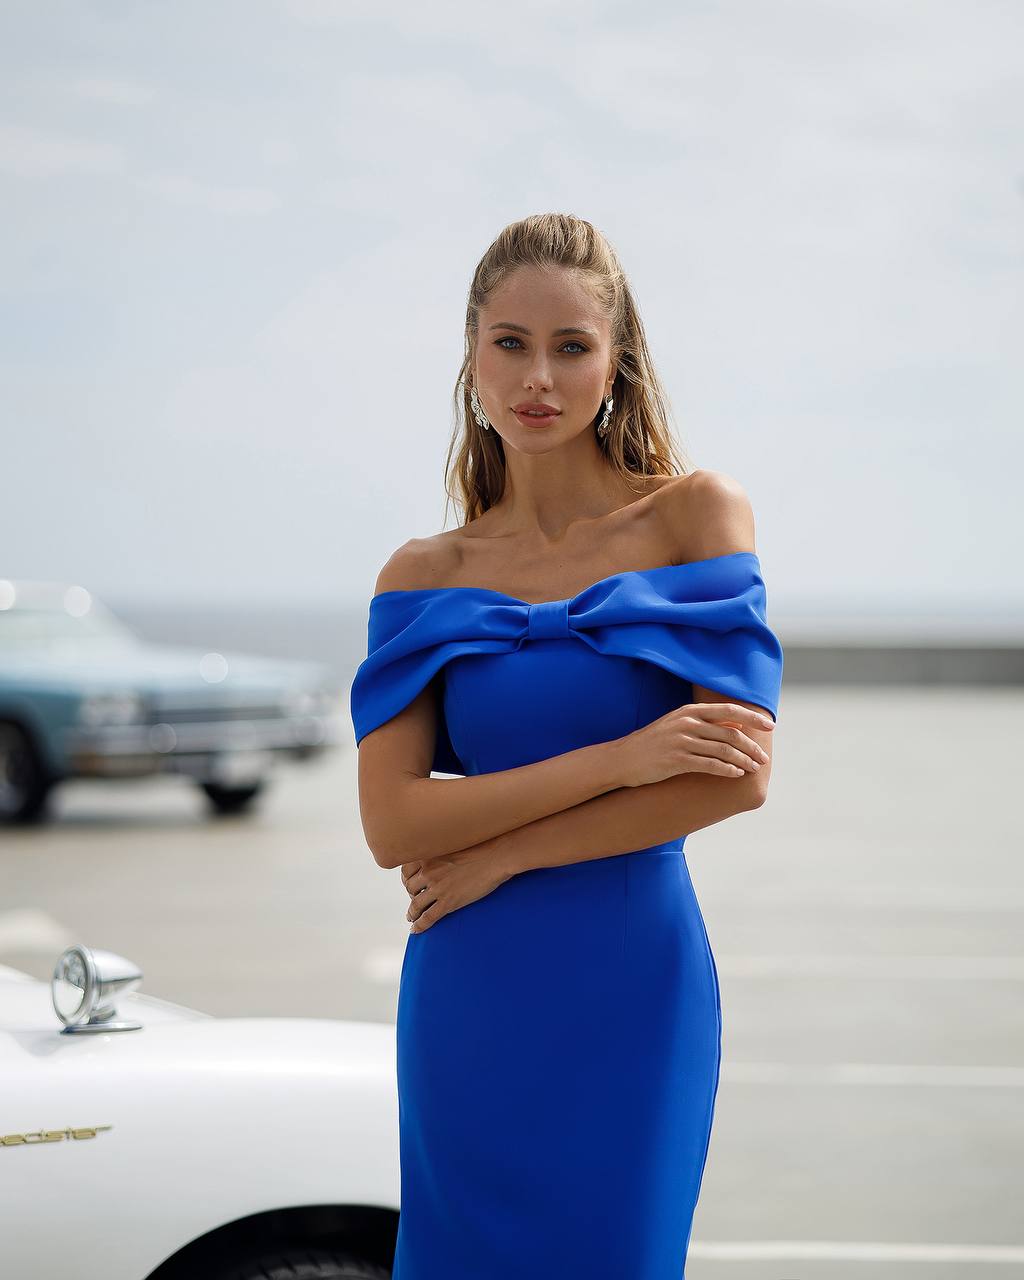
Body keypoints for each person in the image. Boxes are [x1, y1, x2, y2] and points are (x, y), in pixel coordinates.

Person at [350, 212, 784, 1280]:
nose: (537, 377)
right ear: (470, 355)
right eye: (509, 343)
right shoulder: (419, 572)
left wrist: (503, 847)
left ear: (616, 359)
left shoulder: (693, 516)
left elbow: (733, 776)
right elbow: (394, 822)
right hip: (470, 984)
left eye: (569, 346)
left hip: (629, 979)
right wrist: (621, 757)